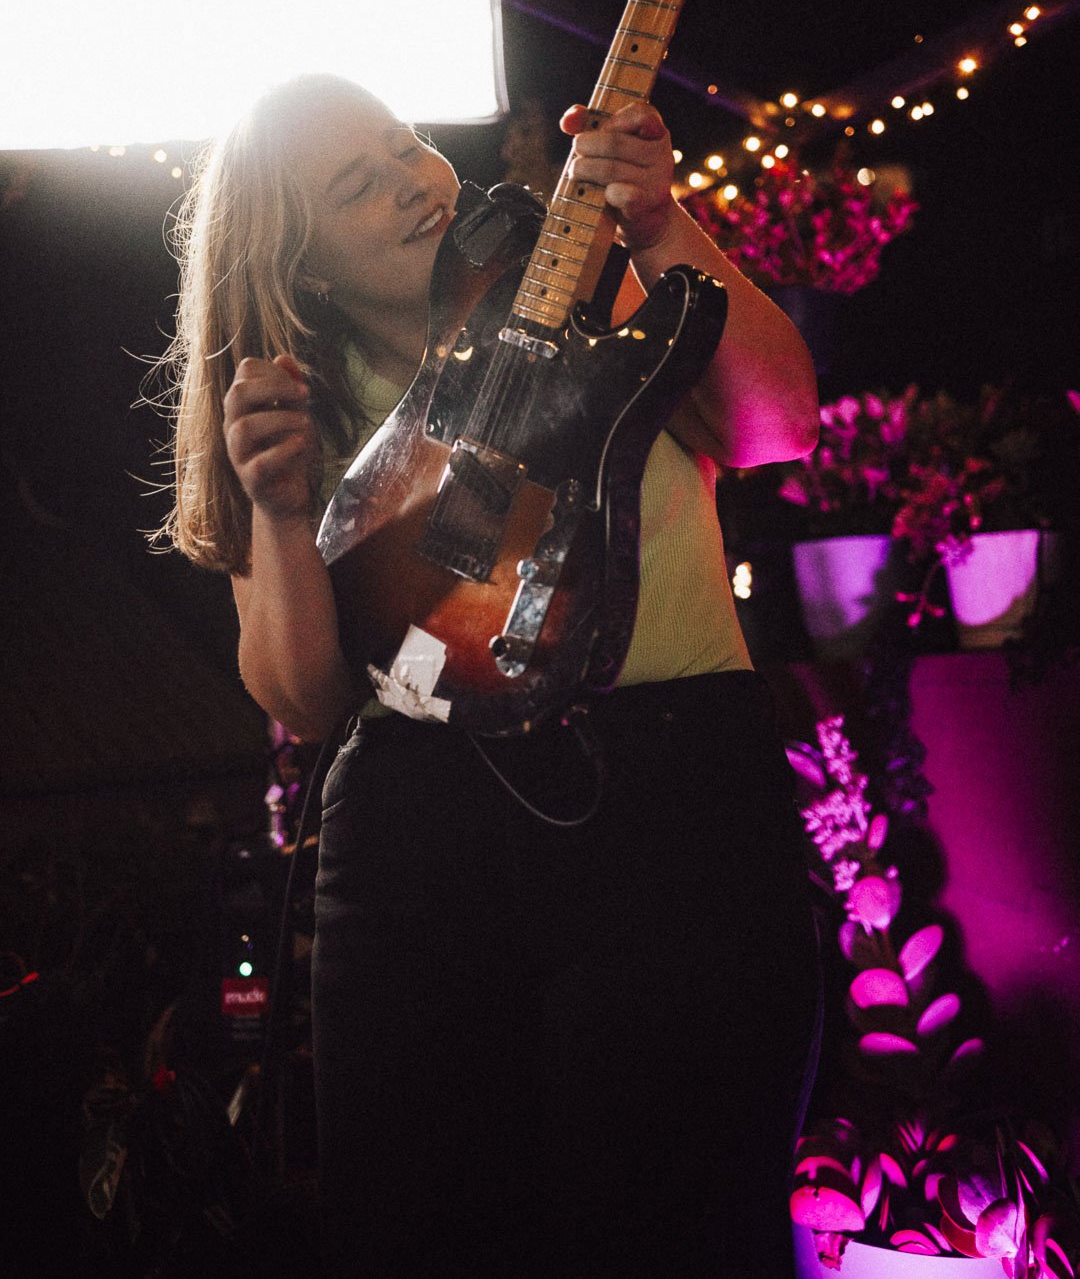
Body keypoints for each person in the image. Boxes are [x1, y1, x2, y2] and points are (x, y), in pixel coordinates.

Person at [160, 71, 822, 1277]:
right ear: (298, 263)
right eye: (358, 186)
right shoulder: (277, 405)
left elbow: (777, 426)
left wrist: (665, 223)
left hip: (681, 797)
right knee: (434, 1227)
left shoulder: (576, 281)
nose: (414, 180)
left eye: (405, 144)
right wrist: (274, 503)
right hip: (425, 834)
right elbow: (304, 698)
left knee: (697, 1219)